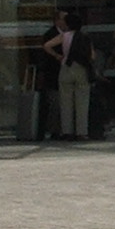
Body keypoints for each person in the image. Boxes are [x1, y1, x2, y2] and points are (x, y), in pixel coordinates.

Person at [44, 10, 93, 140]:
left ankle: (67, 131)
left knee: (65, 102)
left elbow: (47, 45)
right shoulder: (85, 37)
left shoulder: (64, 36)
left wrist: (57, 56)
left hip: (66, 68)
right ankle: (82, 132)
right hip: (81, 69)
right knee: (82, 101)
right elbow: (92, 55)